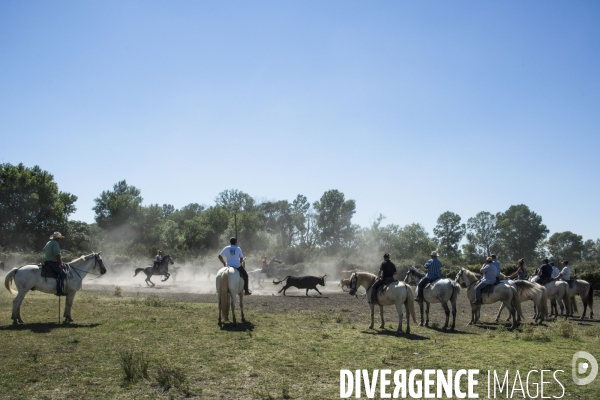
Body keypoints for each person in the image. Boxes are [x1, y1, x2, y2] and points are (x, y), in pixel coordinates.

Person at [43, 231, 68, 296]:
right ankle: (59, 290)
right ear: (57, 238)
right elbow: (57, 255)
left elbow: (44, 250)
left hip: (47, 261)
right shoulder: (55, 243)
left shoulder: (48, 242)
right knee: (63, 274)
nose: (60, 239)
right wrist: (60, 263)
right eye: (60, 238)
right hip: (53, 262)